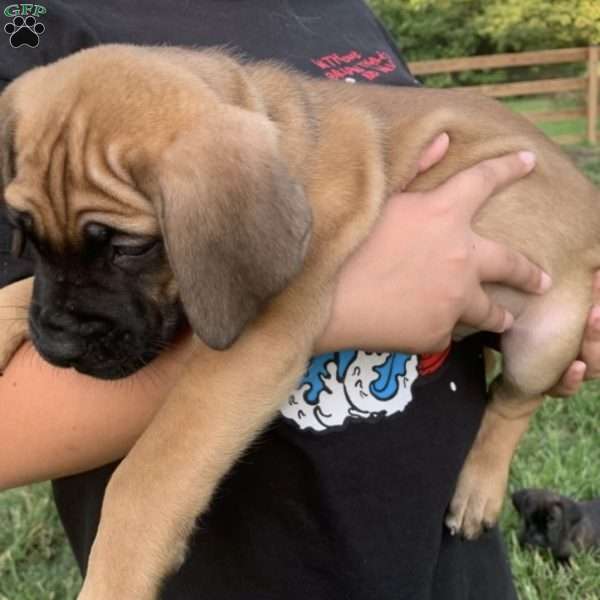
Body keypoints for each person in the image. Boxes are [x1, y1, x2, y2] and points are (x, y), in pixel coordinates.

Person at [1, 1, 599, 598]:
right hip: (250, 570)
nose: (60, 324)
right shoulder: (28, 27)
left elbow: (263, 337)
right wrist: (347, 303)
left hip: (437, 554)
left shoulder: (339, 14)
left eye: (128, 247)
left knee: (540, 346)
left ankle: (506, 421)